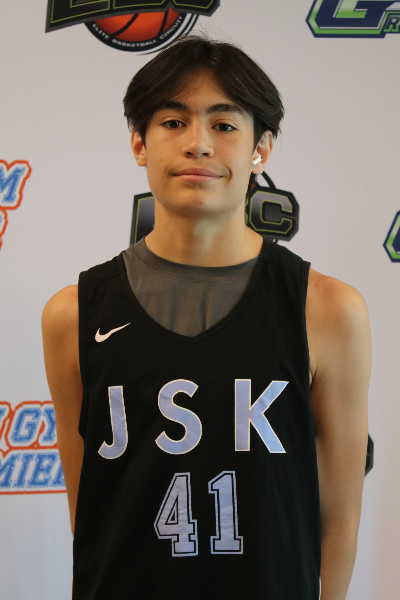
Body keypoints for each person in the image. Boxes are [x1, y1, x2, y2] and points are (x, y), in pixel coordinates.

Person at [42, 36, 371, 600]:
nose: (198, 144)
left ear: (260, 149)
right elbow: (90, 514)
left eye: (224, 125)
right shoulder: (72, 314)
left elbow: (339, 520)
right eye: (173, 122)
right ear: (139, 143)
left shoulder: (327, 309)